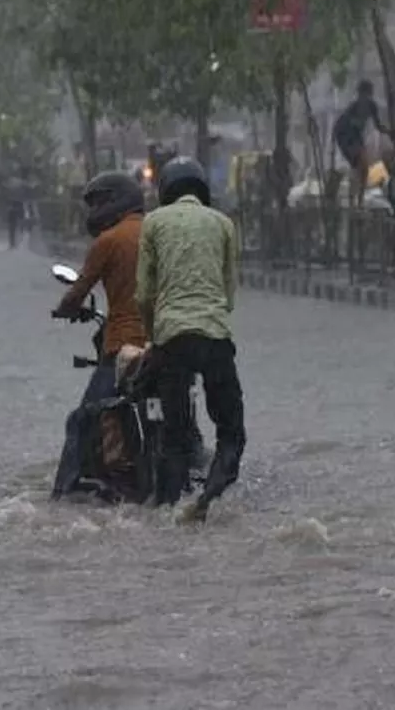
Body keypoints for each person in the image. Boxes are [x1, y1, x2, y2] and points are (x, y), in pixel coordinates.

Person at [136, 157, 245, 520]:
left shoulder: (152, 223)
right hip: (215, 336)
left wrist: (154, 337)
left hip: (171, 338)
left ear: (164, 189)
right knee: (230, 431)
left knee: (174, 436)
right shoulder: (224, 224)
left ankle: (167, 510)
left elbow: (143, 296)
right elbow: (229, 296)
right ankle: (208, 498)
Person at [50, 171, 150, 498]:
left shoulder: (108, 242)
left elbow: (77, 292)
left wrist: (65, 310)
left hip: (122, 343)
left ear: (113, 202)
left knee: (81, 420)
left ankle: (62, 495)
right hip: (165, 340)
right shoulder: (159, 233)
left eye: (99, 203)